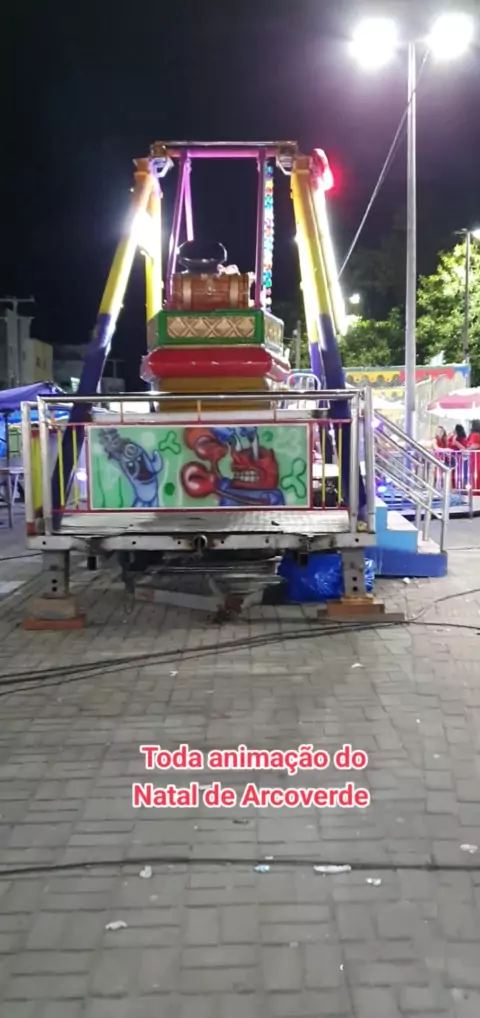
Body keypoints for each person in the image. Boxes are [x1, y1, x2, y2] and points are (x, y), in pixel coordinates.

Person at [448, 425, 468, 489]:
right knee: (452, 474)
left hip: (459, 459)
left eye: (455, 429)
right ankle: (452, 488)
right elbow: (448, 444)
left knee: (459, 474)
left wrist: (456, 442)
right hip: (451, 458)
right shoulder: (452, 437)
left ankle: (461, 488)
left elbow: (464, 448)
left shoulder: (463, 438)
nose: (453, 431)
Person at [467, 421, 480, 491]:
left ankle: (475, 492)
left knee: (475, 475)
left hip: (475, 458)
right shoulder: (478, 434)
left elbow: (475, 445)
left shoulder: (474, 434)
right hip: (476, 457)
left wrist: (467, 449)